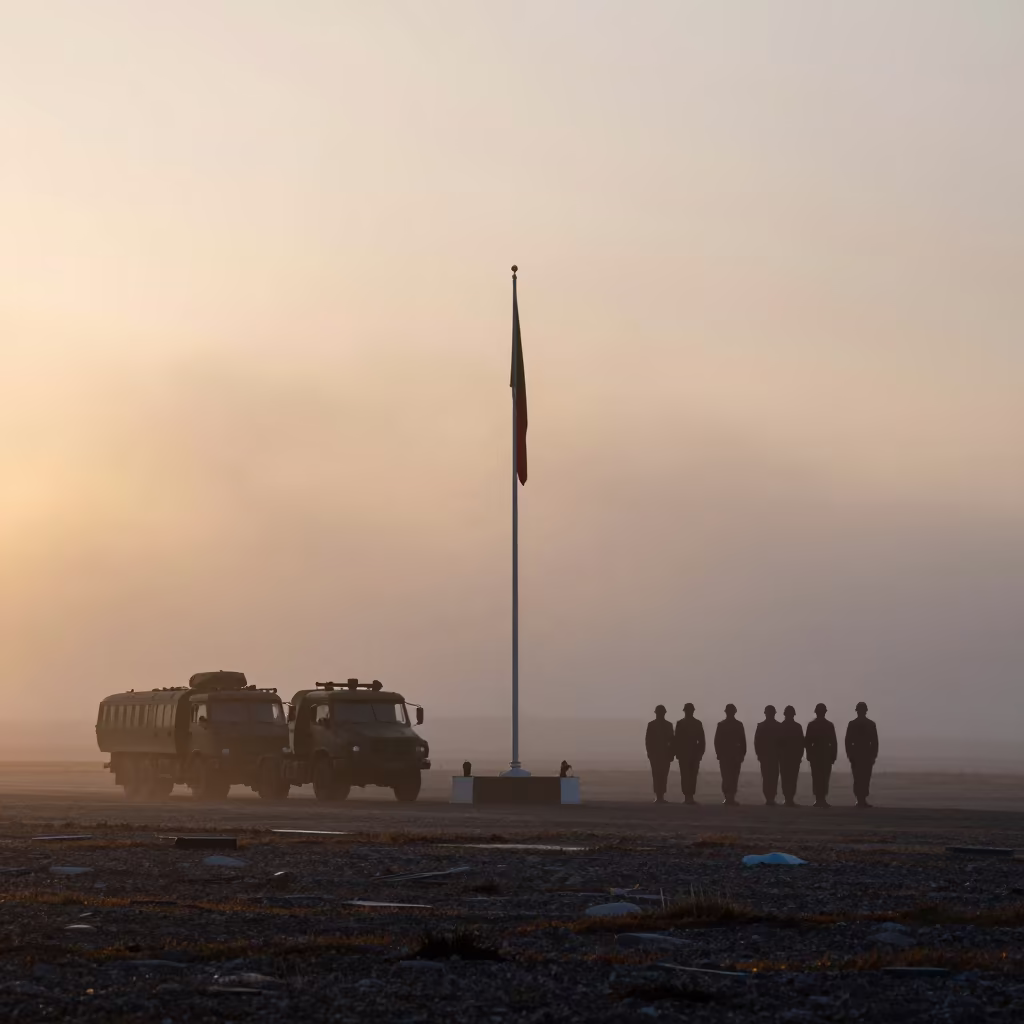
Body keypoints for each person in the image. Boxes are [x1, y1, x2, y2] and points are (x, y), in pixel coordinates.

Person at [845, 701, 879, 807]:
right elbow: (874, 742)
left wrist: (850, 754)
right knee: (864, 777)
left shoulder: (853, 724)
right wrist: (873, 755)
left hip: (858, 754)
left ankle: (860, 799)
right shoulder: (870, 724)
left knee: (859, 777)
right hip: (864, 754)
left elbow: (848, 742)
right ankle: (861, 799)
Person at [804, 703, 838, 807]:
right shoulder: (829, 725)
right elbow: (833, 742)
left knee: (817, 776)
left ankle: (819, 798)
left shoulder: (812, 725)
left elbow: (807, 742)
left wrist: (809, 755)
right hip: (825, 753)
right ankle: (821, 798)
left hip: (816, 754)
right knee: (824, 777)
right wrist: (833, 756)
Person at [713, 704, 746, 806]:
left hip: (729, 755)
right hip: (728, 755)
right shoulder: (734, 725)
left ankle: (729, 797)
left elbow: (743, 742)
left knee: (730, 776)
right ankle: (729, 797)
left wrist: (741, 754)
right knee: (729, 776)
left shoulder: (725, 725)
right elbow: (717, 741)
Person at [674, 703, 706, 805]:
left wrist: (700, 753)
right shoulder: (683, 723)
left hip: (692, 754)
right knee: (686, 775)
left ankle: (689, 796)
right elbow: (677, 740)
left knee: (691, 775)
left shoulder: (696, 723)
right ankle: (688, 796)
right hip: (686, 754)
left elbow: (701, 740)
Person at [645, 705, 675, 803]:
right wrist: (649, 752)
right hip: (656, 754)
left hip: (663, 754)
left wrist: (671, 753)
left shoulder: (667, 725)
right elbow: (648, 740)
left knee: (662, 775)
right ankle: (659, 796)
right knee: (658, 775)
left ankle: (660, 796)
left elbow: (672, 741)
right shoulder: (652, 725)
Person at [754, 705, 782, 806]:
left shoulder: (761, 726)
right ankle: (770, 798)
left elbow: (757, 742)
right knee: (772, 777)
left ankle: (769, 798)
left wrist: (759, 754)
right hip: (772, 756)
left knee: (768, 777)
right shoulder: (778, 726)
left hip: (767, 756)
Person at [777, 706, 804, 807]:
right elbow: (801, 743)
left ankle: (788, 798)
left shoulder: (781, 726)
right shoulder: (797, 727)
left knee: (786, 778)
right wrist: (799, 755)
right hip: (792, 757)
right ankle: (789, 798)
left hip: (786, 757)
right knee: (792, 778)